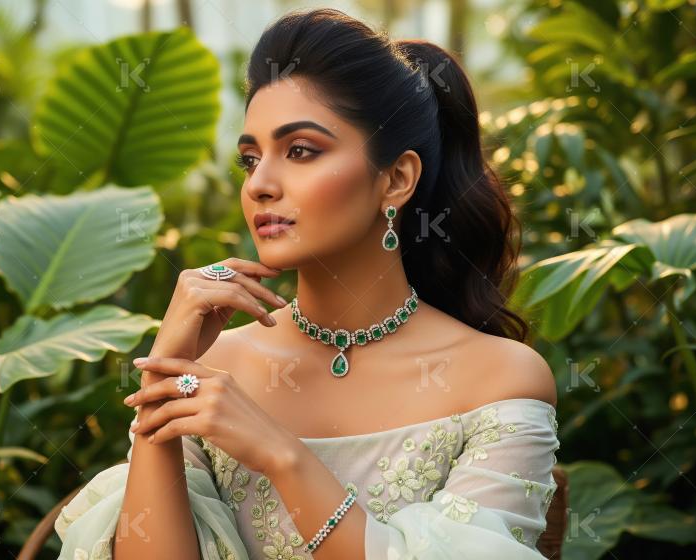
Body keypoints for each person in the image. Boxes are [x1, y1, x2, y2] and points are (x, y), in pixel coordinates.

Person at [54, 7, 560, 559]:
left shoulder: (499, 379)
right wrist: (162, 386)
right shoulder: (215, 371)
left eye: (300, 151)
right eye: (250, 159)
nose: (261, 185)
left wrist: (282, 456)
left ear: (396, 179)